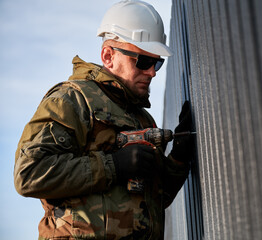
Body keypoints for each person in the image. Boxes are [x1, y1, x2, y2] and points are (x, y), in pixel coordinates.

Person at [14, 1, 193, 239]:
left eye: (157, 62)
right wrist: (114, 166)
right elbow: (29, 174)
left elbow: (153, 203)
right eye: (143, 61)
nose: (152, 72)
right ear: (108, 56)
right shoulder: (72, 100)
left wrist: (178, 160)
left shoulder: (143, 119)